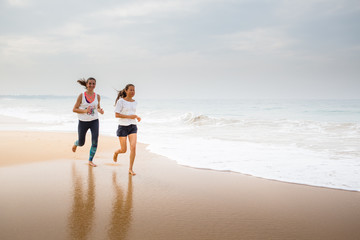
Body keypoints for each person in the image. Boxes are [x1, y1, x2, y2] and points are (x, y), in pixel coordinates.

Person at [72, 77, 104, 167]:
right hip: (83, 122)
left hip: (94, 121)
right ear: (86, 85)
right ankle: (76, 144)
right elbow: (74, 109)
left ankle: (90, 160)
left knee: (95, 141)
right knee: (81, 143)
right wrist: (85, 111)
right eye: (90, 83)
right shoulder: (81, 96)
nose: (91, 85)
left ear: (95, 85)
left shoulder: (97, 96)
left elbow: (97, 107)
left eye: (93, 83)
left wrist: (100, 110)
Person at [113, 84, 141, 175]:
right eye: (131, 90)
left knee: (133, 147)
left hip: (133, 126)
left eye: (134, 90)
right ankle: (116, 152)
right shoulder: (121, 101)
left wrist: (136, 117)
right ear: (126, 91)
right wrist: (129, 116)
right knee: (124, 150)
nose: (132, 92)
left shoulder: (135, 102)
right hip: (123, 126)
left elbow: (132, 113)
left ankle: (130, 169)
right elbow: (116, 115)